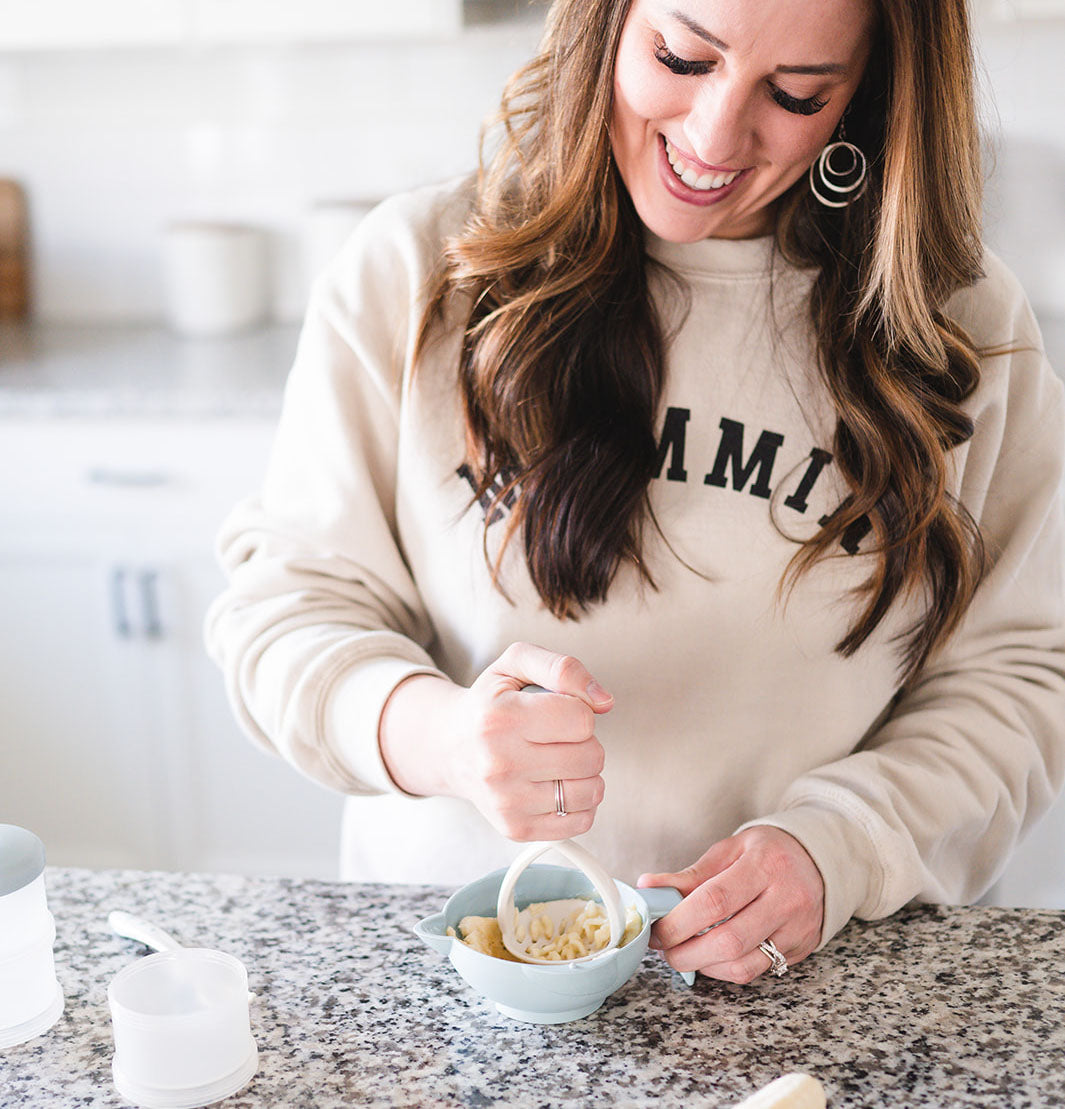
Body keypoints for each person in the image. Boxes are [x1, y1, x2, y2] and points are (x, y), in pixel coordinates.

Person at [205, 0, 1065, 985]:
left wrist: (842, 846)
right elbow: (286, 608)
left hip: (808, 978)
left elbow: (1022, 676)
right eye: (682, 56)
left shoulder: (958, 325)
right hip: (456, 980)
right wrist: (435, 735)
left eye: (795, 94)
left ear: (868, 93)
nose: (713, 137)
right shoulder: (417, 270)